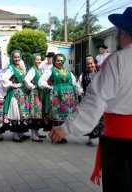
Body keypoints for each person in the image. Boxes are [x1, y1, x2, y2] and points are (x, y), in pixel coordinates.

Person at [49, 7, 132, 191]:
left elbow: (97, 97)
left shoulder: (118, 60)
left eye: (118, 32)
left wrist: (67, 127)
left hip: (122, 143)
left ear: (123, 33)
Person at [38, 53, 82, 144]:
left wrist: (78, 90)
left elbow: (74, 82)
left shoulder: (68, 71)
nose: (60, 62)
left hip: (69, 97)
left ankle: (59, 135)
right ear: (54, 61)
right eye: (58, 60)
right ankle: (56, 136)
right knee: (57, 116)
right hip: (57, 96)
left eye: (62, 60)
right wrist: (51, 87)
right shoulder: (51, 70)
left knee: (65, 117)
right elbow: (41, 82)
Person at [0, 49, 30, 142]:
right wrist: (13, 85)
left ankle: (21, 132)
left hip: (21, 94)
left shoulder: (20, 67)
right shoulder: (10, 68)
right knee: (15, 113)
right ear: (12, 58)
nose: (17, 59)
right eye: (15, 57)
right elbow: (3, 79)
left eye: (18, 57)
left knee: (21, 114)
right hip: (14, 94)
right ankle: (15, 135)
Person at [78, 55, 104, 145]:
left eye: (91, 63)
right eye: (88, 64)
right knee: (90, 118)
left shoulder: (100, 72)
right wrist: (81, 92)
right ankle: (91, 137)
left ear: (95, 63)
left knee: (101, 119)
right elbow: (79, 85)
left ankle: (101, 137)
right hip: (89, 99)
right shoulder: (84, 74)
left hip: (100, 98)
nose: (90, 65)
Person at [24, 53, 45, 142]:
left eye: (40, 59)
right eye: (37, 59)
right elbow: (26, 79)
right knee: (34, 114)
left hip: (40, 94)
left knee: (38, 114)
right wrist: (32, 86)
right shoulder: (32, 70)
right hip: (35, 95)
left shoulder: (39, 70)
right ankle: (33, 135)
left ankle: (36, 132)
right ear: (33, 60)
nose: (39, 61)